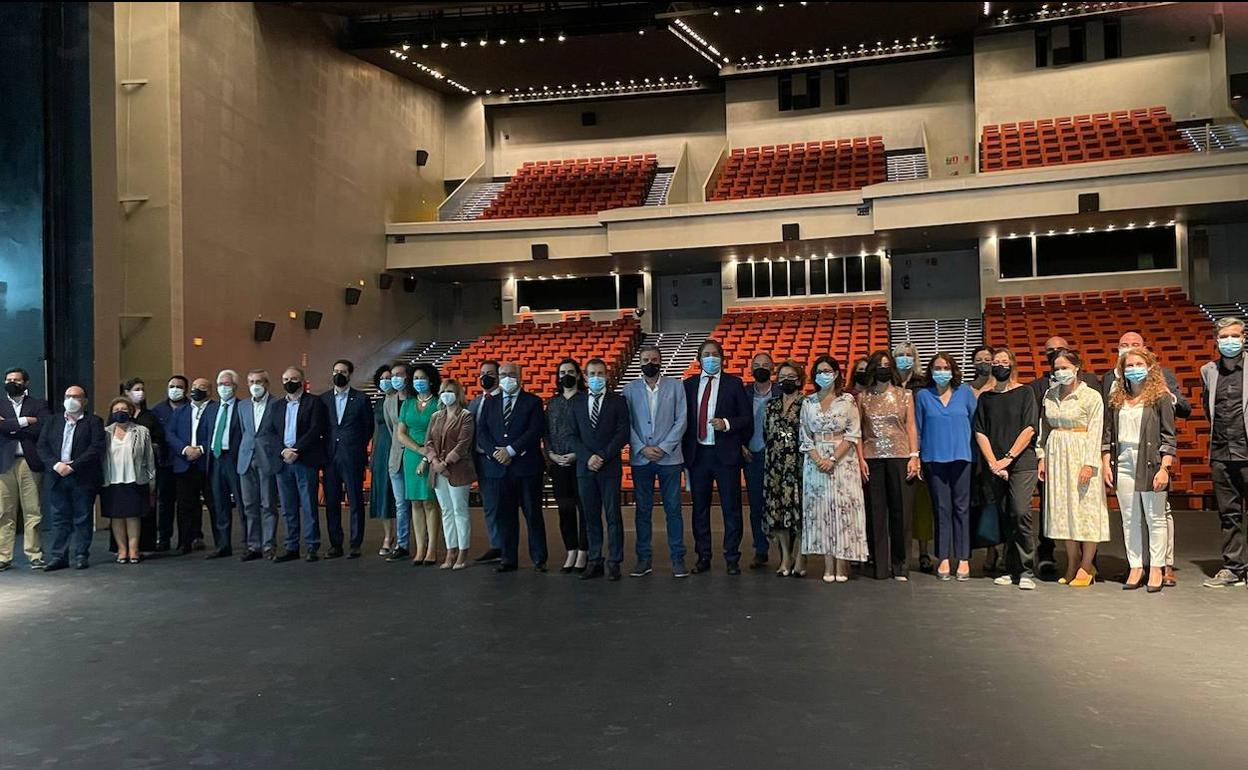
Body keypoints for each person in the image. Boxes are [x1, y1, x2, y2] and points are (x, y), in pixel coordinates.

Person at [1102, 331, 1191, 586]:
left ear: (1149, 366)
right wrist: (1106, 461)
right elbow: (1108, 432)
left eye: (1139, 364)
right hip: (1123, 461)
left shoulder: (1160, 395)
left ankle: (1157, 568)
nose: (1134, 369)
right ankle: (1135, 566)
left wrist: (1165, 468)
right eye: (1129, 365)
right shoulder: (1116, 397)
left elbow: (1168, 435)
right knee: (1129, 518)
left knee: (1155, 517)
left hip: (1151, 461)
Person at [1027, 337, 1100, 578]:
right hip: (1057, 456)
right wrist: (1042, 456)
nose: (1060, 372)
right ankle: (1072, 562)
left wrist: (1089, 463)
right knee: (1066, 512)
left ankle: (1087, 566)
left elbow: (1096, 431)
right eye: (1056, 369)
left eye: (1065, 367)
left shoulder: (1091, 396)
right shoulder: (1049, 394)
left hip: (1082, 453)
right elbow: (1044, 428)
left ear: (1076, 367)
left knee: (1085, 511)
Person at [683, 339, 752, 575]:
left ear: (722, 358)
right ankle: (703, 556)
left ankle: (732, 557)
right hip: (698, 455)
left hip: (726, 456)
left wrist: (727, 423)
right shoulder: (688, 385)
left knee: (731, 508)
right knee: (699, 509)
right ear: (699, 359)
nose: (711, 358)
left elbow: (746, 418)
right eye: (706, 354)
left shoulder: (734, 384)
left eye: (715, 354)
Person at [975, 348, 1041, 590]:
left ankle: (1026, 569)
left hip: (1021, 462)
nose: (999, 365)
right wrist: (994, 462)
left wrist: (1008, 458)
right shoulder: (986, 398)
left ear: (1012, 364)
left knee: (1020, 511)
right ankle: (1009, 567)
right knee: (1003, 515)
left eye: (1004, 361)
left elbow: (1030, 428)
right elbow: (980, 431)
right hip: (995, 465)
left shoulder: (1025, 392)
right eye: (996, 362)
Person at [800, 355, 868, 582]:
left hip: (843, 461)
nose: (824, 375)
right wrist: (818, 458)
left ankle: (842, 563)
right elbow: (805, 435)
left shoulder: (847, 400)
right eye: (819, 371)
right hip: (815, 462)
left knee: (843, 510)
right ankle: (828, 564)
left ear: (836, 373)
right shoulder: (808, 402)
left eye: (828, 371)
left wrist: (832, 459)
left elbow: (853, 433)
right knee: (821, 511)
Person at [622, 344, 688, 578]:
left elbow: (681, 420)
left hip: (670, 458)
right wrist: (642, 448)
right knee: (642, 511)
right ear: (640, 363)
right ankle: (644, 559)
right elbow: (626, 423)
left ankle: (678, 559)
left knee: (673, 509)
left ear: (660, 362)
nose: (650, 363)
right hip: (641, 459)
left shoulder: (676, 386)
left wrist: (663, 447)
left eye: (654, 359)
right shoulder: (629, 389)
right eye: (645, 360)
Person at [476, 362, 548, 572]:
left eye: (511, 374)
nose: (507, 378)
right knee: (505, 516)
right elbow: (482, 432)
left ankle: (539, 558)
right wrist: (496, 453)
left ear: (520, 377)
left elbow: (534, 431)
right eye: (503, 374)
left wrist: (511, 450)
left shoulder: (533, 402)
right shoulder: (490, 402)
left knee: (532, 514)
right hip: (499, 469)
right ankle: (508, 558)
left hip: (527, 468)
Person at [915, 353, 977, 581]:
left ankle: (963, 557)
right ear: (931, 372)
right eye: (937, 368)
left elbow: (975, 423)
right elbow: (918, 429)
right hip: (933, 459)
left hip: (962, 457)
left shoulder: (965, 392)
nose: (941, 372)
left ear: (953, 370)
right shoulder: (923, 396)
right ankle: (942, 557)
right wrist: (916, 456)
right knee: (941, 508)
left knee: (962, 508)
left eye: (945, 367)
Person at [858, 351, 919, 581]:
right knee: (875, 513)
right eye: (879, 365)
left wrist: (914, 456)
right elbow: (859, 431)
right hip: (872, 458)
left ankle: (900, 565)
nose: (883, 368)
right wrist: (860, 459)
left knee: (900, 512)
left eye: (886, 364)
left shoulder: (905, 395)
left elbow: (911, 426)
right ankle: (880, 566)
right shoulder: (863, 397)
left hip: (900, 456)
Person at [568, 359, 629, 581]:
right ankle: (595, 560)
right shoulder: (576, 402)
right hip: (585, 469)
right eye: (592, 374)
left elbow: (623, 433)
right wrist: (588, 457)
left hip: (609, 467)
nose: (596, 377)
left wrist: (602, 455)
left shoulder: (618, 401)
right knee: (590, 516)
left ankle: (614, 562)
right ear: (585, 377)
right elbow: (571, 435)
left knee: (613, 516)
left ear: (607, 375)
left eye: (600, 373)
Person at [1200, 317, 1248, 588]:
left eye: (1235, 336)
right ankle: (1234, 568)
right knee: (1229, 514)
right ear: (1216, 340)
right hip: (1220, 453)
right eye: (1224, 336)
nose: (1230, 341)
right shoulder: (1208, 371)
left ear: (1243, 337)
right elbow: (1209, 409)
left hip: (1246, 450)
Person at [37, 385, 106, 571]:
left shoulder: (94, 422)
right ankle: (59, 556)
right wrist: (56, 465)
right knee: (59, 518)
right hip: (57, 475)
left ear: (85, 401)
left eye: (76, 397)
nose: (71, 400)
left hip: (83, 476)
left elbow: (96, 448)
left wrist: (73, 466)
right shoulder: (52, 421)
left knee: (83, 517)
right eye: (68, 396)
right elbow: (42, 446)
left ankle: (81, 554)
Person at [263, 367, 328, 562]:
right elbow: (270, 432)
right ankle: (291, 546)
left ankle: (312, 546)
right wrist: (283, 451)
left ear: (302, 380)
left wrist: (296, 450)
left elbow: (316, 429)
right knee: (288, 507)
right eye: (285, 379)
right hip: (283, 462)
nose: (289, 382)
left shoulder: (314, 402)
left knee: (309, 505)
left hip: (305, 460)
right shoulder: (276, 405)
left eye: (293, 378)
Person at [319, 359, 373, 559]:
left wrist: (355, 445)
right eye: (335, 371)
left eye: (342, 371)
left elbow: (368, 428)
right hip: (330, 457)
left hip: (352, 456)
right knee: (332, 502)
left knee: (355, 500)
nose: (338, 374)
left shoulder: (361, 399)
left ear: (350, 374)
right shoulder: (323, 399)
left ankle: (355, 543)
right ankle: (336, 544)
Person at [0, 367, 51, 571]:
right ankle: (3, 556)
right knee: (4, 511)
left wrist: (9, 425)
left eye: (17, 380)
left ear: (26, 383)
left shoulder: (38, 404)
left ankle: (34, 554)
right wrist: (25, 422)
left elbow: (43, 426)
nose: (12, 382)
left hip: (29, 462)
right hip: (4, 463)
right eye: (8, 379)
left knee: (33, 510)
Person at [424, 378, 476, 570]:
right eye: (444, 391)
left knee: (459, 510)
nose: (447, 394)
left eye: (451, 391)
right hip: (437, 470)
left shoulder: (466, 416)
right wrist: (435, 461)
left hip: (458, 470)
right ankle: (450, 550)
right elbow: (428, 441)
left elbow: (463, 443)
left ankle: (463, 551)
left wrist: (446, 462)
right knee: (446, 511)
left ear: (458, 394)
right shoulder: (436, 416)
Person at [544, 359, 589, 573]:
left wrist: (576, 454)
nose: (566, 375)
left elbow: (589, 432)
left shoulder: (585, 400)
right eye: (562, 372)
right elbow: (546, 432)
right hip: (558, 463)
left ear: (578, 375)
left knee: (584, 508)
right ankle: (570, 549)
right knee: (564, 509)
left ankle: (584, 550)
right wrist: (551, 454)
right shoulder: (553, 403)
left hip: (580, 462)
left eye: (571, 372)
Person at [763, 360, 806, 577]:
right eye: (782, 377)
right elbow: (765, 433)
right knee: (778, 512)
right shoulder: (771, 405)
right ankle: (785, 557)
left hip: (799, 465)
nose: (786, 381)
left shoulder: (807, 403)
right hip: (775, 466)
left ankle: (799, 558)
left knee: (799, 512)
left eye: (791, 377)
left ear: (799, 380)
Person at [893, 340, 933, 572]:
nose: (905, 358)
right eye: (900, 354)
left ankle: (924, 552)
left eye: (909, 354)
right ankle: (900, 552)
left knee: (922, 504)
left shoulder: (923, 384)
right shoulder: (888, 383)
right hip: (894, 449)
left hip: (921, 448)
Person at [396, 363, 441, 565]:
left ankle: (432, 549)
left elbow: (439, 433)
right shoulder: (407, 403)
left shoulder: (438, 403)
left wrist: (426, 454)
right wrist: (417, 449)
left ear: (430, 380)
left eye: (422, 378)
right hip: (411, 455)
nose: (418, 381)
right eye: (415, 378)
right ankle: (420, 548)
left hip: (432, 455)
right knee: (415, 502)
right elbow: (401, 433)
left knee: (429, 502)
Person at [101, 397, 156, 564]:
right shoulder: (105, 432)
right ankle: (121, 550)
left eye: (124, 410)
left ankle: (134, 549)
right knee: (116, 516)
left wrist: (152, 481)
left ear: (131, 412)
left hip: (135, 479)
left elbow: (149, 458)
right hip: (112, 479)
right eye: (116, 410)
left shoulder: (142, 431)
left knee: (133, 516)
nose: (120, 412)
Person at [167, 377, 216, 555]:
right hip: (184, 463)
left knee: (214, 504)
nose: (197, 390)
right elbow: (170, 433)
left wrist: (201, 449)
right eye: (194, 386)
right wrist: (184, 449)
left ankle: (220, 543)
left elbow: (217, 433)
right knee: (184, 505)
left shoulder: (216, 409)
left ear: (209, 391)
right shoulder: (181, 411)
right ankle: (184, 542)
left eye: (202, 387)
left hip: (207, 464)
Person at [237, 369, 280, 560]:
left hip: (268, 459)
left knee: (268, 504)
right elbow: (245, 431)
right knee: (249, 505)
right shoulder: (242, 405)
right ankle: (254, 546)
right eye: (251, 381)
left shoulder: (277, 404)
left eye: (259, 381)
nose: (255, 385)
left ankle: (269, 545)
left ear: (267, 384)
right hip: (246, 459)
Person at [742, 351, 778, 569]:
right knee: (756, 505)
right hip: (752, 456)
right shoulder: (743, 393)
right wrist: (741, 446)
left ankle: (785, 550)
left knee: (780, 504)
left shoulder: (782, 391)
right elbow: (736, 421)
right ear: (751, 369)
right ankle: (761, 549)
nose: (761, 368)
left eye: (765, 365)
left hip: (779, 458)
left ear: (773, 368)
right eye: (756, 365)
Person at [120, 378, 165, 554]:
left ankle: (146, 544)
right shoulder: (120, 413)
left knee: (147, 505)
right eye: (137, 389)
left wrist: (150, 445)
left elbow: (159, 438)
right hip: (123, 467)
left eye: (142, 389)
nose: (141, 392)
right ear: (127, 392)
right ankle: (123, 546)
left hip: (145, 466)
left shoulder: (150, 416)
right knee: (124, 506)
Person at [205, 370, 243, 559]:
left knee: (242, 503)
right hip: (216, 459)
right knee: (220, 504)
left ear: (235, 386)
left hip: (234, 459)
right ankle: (222, 545)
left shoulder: (242, 407)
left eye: (227, 384)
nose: (223, 388)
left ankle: (249, 543)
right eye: (220, 384)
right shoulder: (211, 409)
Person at [149, 376, 190, 551]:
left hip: (185, 462)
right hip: (164, 462)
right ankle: (164, 538)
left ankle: (187, 540)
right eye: (172, 386)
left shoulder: (191, 408)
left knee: (186, 503)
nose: (175, 389)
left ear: (186, 389)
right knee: (165, 502)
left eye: (179, 387)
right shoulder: (157, 410)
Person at [469, 359, 504, 563]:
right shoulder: (475, 402)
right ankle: (496, 545)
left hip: (499, 459)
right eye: (482, 373)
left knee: (502, 506)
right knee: (489, 506)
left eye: (489, 373)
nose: (485, 377)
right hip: (479, 459)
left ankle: (505, 546)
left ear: (498, 376)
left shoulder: (504, 400)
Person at [383, 363, 413, 561]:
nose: (394, 378)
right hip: (396, 459)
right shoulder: (389, 401)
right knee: (401, 504)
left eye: (399, 375)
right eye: (392, 375)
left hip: (415, 456)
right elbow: (391, 429)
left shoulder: (416, 400)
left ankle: (424, 545)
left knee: (421, 504)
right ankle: (402, 544)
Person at [369, 366, 398, 556]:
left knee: (399, 496)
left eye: (390, 377)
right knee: (383, 495)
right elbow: (375, 429)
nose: (386, 381)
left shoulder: (403, 401)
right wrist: (372, 454)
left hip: (398, 448)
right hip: (381, 450)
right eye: (383, 378)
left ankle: (403, 536)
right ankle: (388, 536)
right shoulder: (379, 403)